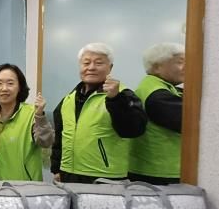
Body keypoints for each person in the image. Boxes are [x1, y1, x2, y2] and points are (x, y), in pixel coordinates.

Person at [50, 42, 147, 183]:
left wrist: (115, 100)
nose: (91, 67)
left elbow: (134, 130)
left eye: (98, 63)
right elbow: (60, 137)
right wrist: (56, 168)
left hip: (106, 177)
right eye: (86, 63)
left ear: (110, 67)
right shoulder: (68, 99)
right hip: (68, 174)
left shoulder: (123, 95)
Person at [128, 43, 185, 185]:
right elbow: (193, 125)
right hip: (160, 173)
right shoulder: (158, 96)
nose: (186, 67)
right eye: (180, 62)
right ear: (157, 67)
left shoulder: (155, 88)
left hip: (152, 169)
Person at [0, 63, 53, 181]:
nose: (4, 88)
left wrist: (39, 116)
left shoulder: (31, 113)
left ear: (20, 87)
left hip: (25, 187)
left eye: (10, 83)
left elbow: (46, 141)